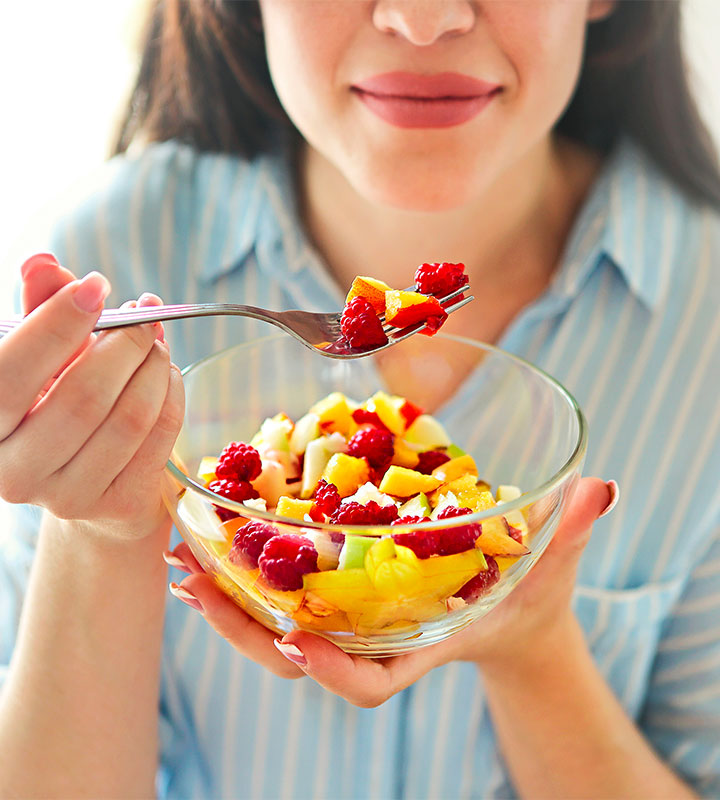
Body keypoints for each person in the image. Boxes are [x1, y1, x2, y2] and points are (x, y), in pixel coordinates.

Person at [1, 0, 719, 797]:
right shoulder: (110, 264)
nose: (422, 20)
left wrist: (536, 647)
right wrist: (102, 530)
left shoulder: (706, 318)